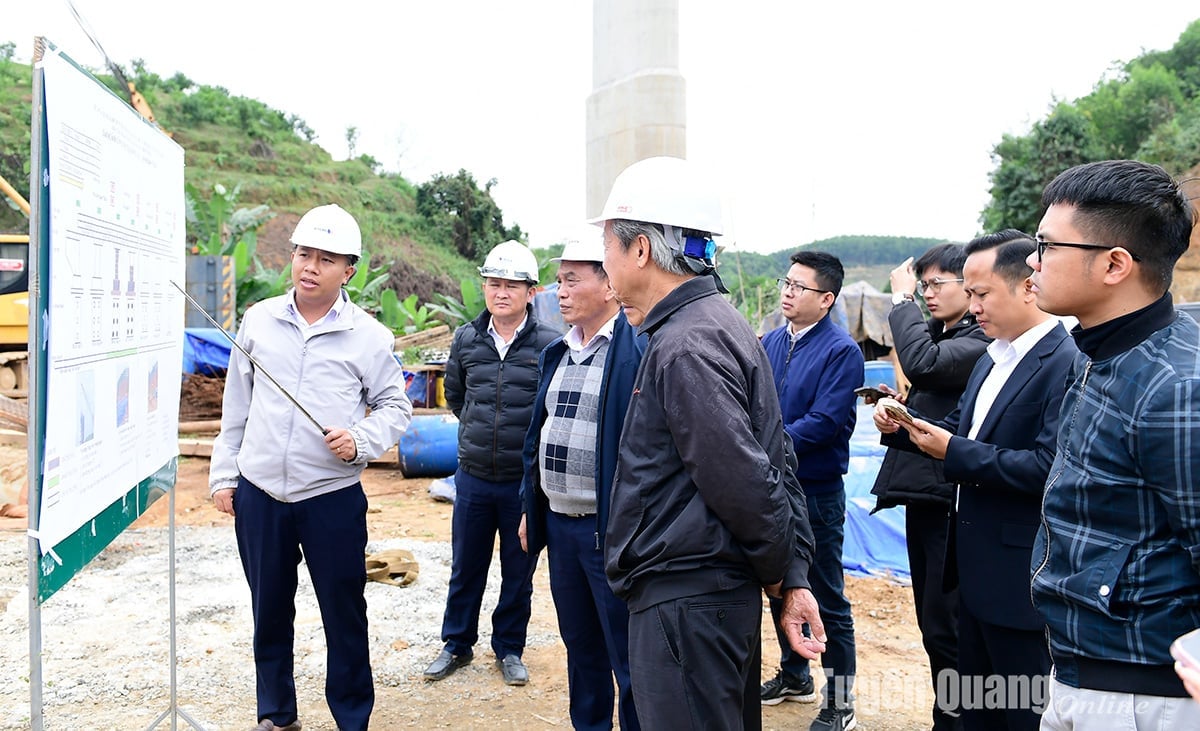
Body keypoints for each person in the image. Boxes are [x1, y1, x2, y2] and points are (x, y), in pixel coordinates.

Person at [595, 156, 826, 731]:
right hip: (708, 598)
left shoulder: (686, 344)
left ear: (640, 249)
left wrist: (783, 578)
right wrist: (790, 575)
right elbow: (776, 461)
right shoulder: (715, 322)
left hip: (687, 603)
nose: (605, 265)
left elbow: (747, 481)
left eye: (607, 247)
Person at [208, 203, 412, 731]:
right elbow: (238, 405)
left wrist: (361, 438)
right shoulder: (259, 320)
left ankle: (351, 718)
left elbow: (396, 405)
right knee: (268, 611)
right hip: (260, 495)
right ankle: (277, 716)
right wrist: (225, 475)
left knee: (344, 614)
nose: (310, 266)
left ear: (349, 270)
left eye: (326, 258)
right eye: (303, 254)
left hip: (330, 497)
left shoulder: (369, 337)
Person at [875, 231, 1076, 730]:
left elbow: (1047, 467)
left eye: (982, 294)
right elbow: (960, 428)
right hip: (971, 573)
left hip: (1019, 580)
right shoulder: (991, 357)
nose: (973, 305)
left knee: (1020, 709)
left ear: (1027, 286)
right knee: (976, 705)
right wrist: (906, 428)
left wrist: (954, 450)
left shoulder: (1064, 362)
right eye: (970, 292)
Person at [1025, 159, 1200, 729]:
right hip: (1083, 668)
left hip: (1140, 691)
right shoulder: (1099, 355)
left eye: (1047, 245)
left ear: (1115, 264)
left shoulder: (1174, 387)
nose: (1032, 259)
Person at [518, 233, 645, 730]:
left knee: (629, 658)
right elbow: (537, 437)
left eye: (572, 280)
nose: (560, 291)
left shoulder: (636, 350)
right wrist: (532, 508)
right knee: (582, 650)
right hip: (562, 529)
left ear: (610, 284)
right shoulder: (558, 353)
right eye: (558, 280)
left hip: (610, 531)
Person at [424, 239, 561, 686]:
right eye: (492, 283)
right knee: (467, 565)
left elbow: (551, 411)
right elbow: (458, 395)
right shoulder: (467, 338)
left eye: (510, 285)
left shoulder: (549, 345)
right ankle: (456, 644)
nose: (500, 292)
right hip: (475, 477)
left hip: (524, 484)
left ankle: (509, 648)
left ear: (531, 292)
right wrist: (481, 436)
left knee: (518, 571)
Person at [869, 242, 990, 731]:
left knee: (949, 630)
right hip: (926, 498)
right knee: (934, 628)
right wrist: (899, 418)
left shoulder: (980, 339)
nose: (927, 294)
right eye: (922, 286)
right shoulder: (951, 336)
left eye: (937, 283)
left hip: (950, 501)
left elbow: (922, 364)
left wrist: (901, 303)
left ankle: (958, 721)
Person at [759, 251, 863, 731]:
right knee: (780, 586)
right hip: (771, 486)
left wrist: (765, 445)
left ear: (826, 299)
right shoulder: (771, 342)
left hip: (815, 492)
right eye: (787, 282)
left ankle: (839, 699)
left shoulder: (842, 351)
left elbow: (824, 423)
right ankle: (795, 675)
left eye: (800, 286)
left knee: (824, 595)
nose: (787, 291)